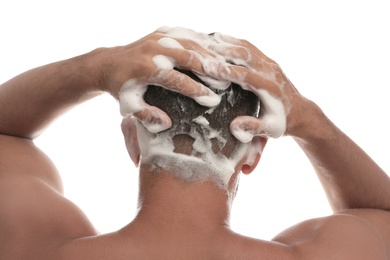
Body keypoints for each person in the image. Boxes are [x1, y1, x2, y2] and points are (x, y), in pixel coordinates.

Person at [0, 27, 389, 259]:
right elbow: (380, 212)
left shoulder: (38, 247)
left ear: (132, 140)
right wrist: (309, 120)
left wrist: (97, 67)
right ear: (254, 154)